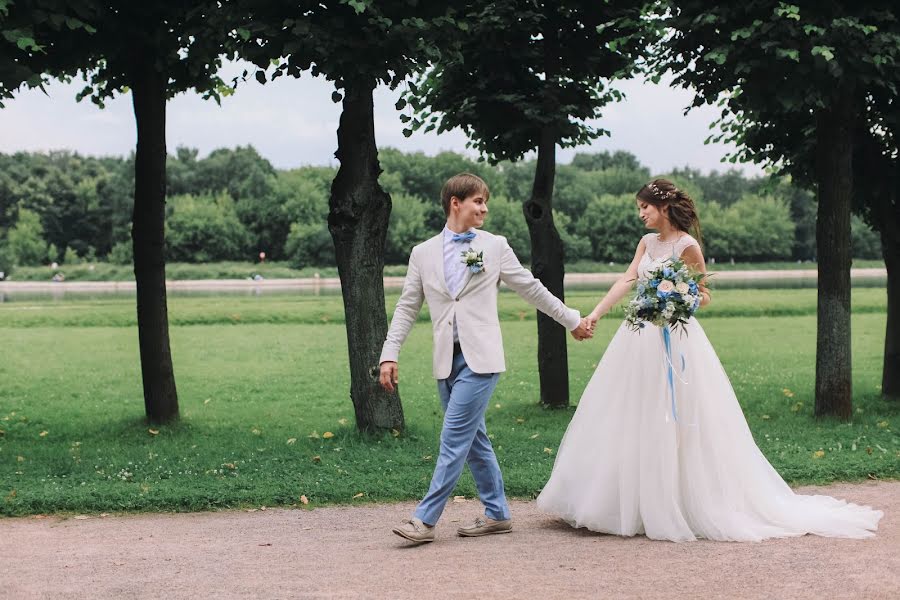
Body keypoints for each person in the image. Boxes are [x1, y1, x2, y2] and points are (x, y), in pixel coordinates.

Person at [536, 178, 883, 542]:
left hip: (677, 341)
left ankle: (678, 498)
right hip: (638, 339)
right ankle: (621, 500)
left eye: (645, 208)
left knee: (678, 415)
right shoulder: (646, 243)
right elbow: (627, 279)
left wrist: (678, 300)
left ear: (663, 208)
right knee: (630, 410)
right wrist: (594, 314)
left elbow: (704, 293)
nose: (640, 215)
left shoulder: (687, 245)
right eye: (639, 208)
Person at [380, 172, 593, 545]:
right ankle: (497, 514)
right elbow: (406, 307)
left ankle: (424, 521)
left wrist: (571, 320)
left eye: (485, 201)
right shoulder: (422, 253)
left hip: (482, 360)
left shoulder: (494, 246)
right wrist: (389, 354)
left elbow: (531, 288)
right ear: (455, 203)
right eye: (478, 201)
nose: (485, 208)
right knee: (474, 440)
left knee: (453, 438)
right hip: (446, 361)